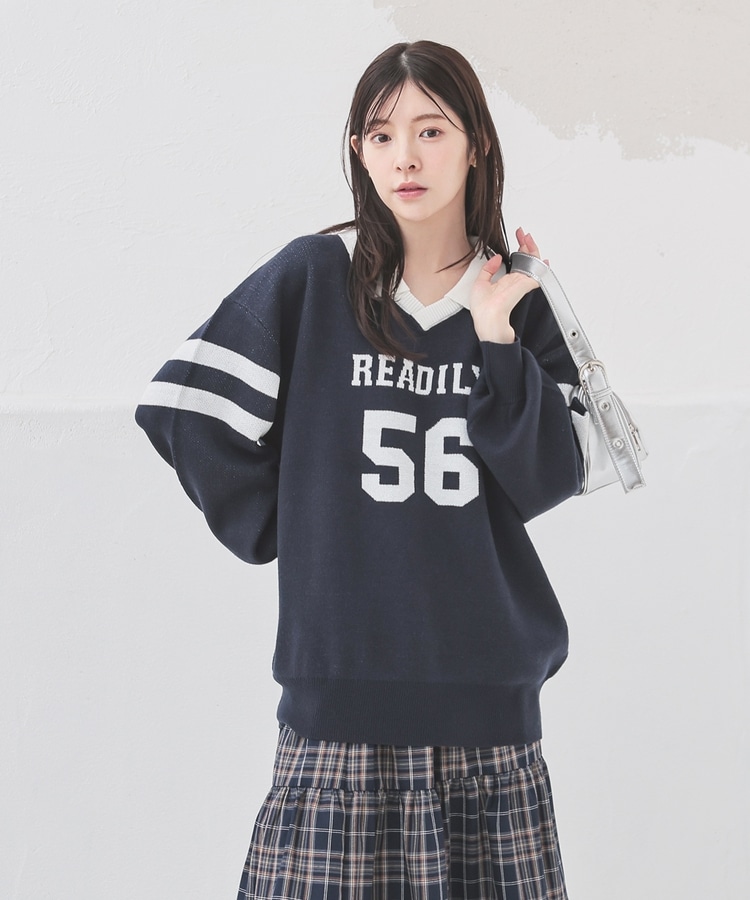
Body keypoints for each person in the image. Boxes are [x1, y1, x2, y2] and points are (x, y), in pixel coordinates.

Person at [136, 39, 584, 900]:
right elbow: (186, 409)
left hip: (488, 722)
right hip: (335, 721)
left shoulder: (516, 297)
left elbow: (548, 479)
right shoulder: (314, 278)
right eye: (382, 136)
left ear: (476, 144)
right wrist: (294, 519)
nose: (405, 157)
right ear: (359, 152)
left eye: (431, 130)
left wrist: (496, 339)